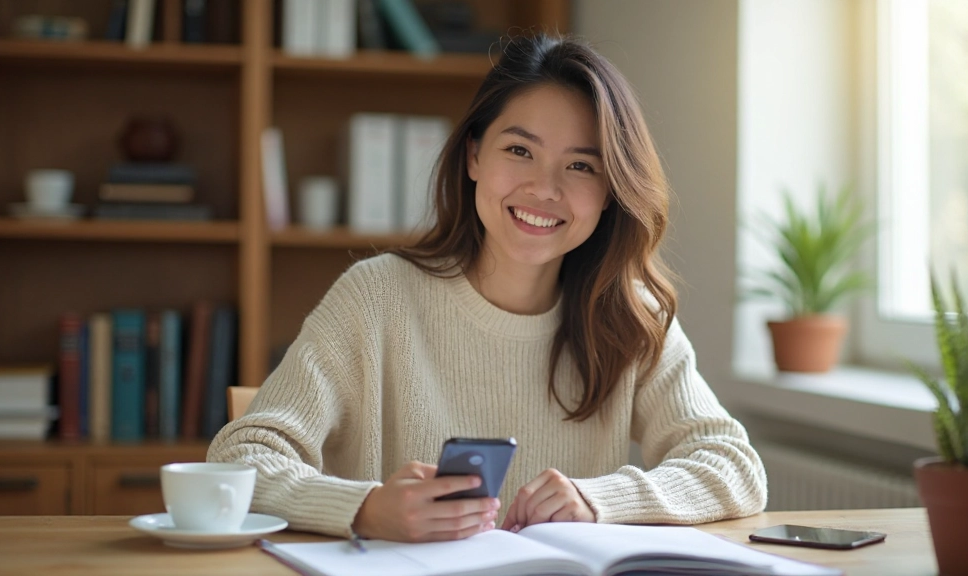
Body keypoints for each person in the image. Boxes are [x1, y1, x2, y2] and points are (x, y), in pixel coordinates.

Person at [208, 33, 767, 543]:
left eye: (580, 167)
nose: (543, 189)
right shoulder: (376, 299)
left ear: (610, 191)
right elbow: (240, 457)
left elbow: (733, 465)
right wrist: (368, 508)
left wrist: (597, 500)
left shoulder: (627, 315)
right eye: (519, 151)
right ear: (474, 154)